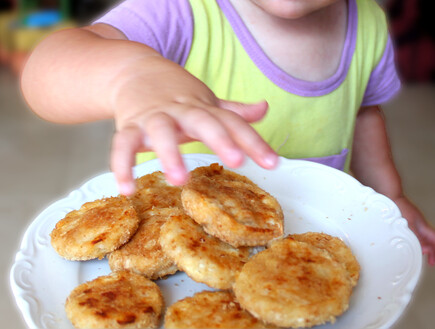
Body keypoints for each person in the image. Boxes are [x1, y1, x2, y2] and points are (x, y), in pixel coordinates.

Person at [20, 0, 435, 265]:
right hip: (179, 255)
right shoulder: (177, 12)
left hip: (298, 254)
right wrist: (130, 75)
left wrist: (390, 196)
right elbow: (47, 70)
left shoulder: (369, 23)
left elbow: (363, 112)